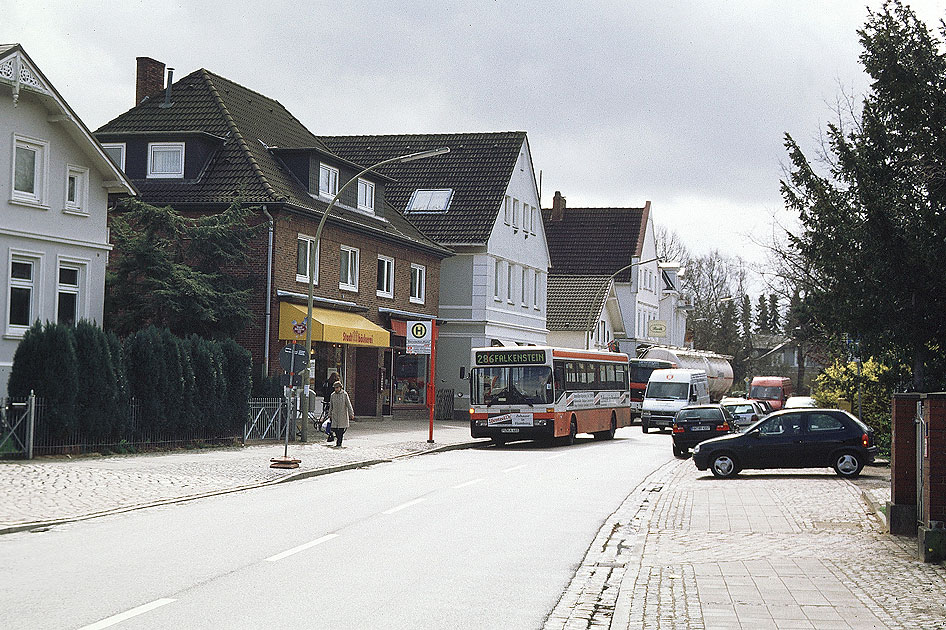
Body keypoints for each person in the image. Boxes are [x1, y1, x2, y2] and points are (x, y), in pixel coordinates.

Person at [328, 380, 354, 447]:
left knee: (341, 430)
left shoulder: (344, 395)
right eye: (335, 388)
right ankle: (338, 440)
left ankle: (339, 443)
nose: (336, 389)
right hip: (335, 415)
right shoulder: (332, 395)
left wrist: (351, 413)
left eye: (337, 388)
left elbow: (348, 404)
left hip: (342, 415)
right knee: (335, 429)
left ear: (340, 387)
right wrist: (329, 414)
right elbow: (331, 406)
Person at [322, 372, 340, 442]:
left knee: (328, 417)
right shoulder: (336, 385)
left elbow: (323, 390)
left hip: (326, 400)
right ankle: (331, 433)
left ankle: (329, 432)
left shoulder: (327, 382)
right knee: (332, 419)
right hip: (332, 403)